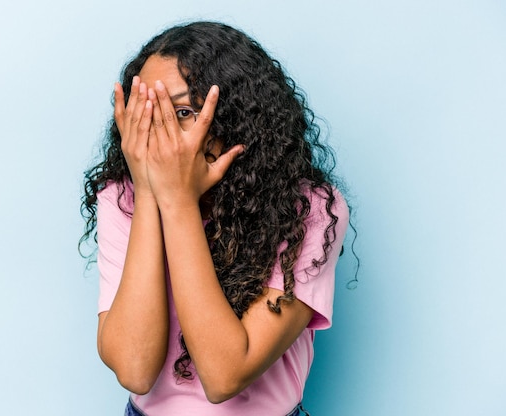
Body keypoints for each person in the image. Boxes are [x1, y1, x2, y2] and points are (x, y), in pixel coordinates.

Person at [81, 21, 350, 416]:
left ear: (237, 118)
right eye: (148, 111)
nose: (162, 131)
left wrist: (178, 200)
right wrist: (153, 194)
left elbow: (225, 375)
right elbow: (134, 370)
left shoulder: (310, 210)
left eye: (184, 111)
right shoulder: (122, 198)